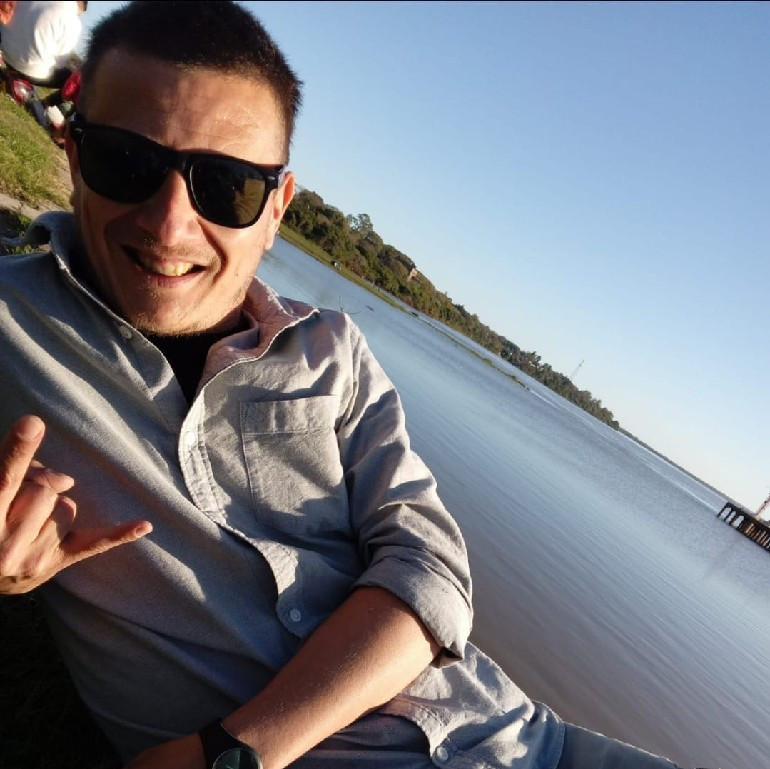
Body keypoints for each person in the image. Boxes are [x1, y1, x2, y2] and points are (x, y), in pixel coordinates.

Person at [0, 3, 691, 768]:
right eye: (125, 160)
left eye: (225, 186)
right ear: (73, 151)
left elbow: (432, 566)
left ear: (276, 210)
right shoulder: (12, 324)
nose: (169, 223)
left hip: (528, 738)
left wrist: (234, 753)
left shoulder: (332, 349)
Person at [0, 0, 87, 133]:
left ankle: (12, 75)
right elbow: (59, 62)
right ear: (80, 6)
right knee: (69, 76)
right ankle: (24, 85)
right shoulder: (74, 23)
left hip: (5, 51)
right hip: (30, 70)